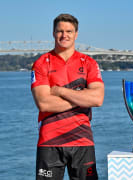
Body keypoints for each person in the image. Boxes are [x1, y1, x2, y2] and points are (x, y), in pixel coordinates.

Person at [31, 14, 104, 180]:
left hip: (82, 140)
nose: (64, 35)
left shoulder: (89, 63)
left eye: (69, 31)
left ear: (76, 34)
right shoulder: (41, 63)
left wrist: (61, 91)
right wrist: (81, 96)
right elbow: (44, 103)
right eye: (60, 31)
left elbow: (97, 98)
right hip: (50, 141)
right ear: (53, 32)